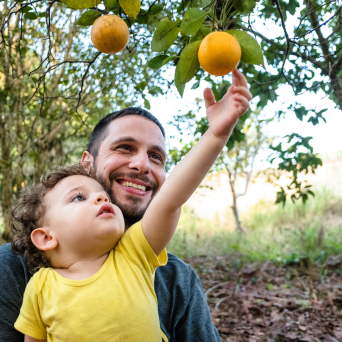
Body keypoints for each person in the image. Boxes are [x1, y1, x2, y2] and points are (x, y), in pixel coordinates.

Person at [0, 68, 252, 342]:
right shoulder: (32, 283)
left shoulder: (137, 257)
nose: (143, 164)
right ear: (46, 237)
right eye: (124, 147)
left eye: (156, 156)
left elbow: (172, 198)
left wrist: (215, 136)